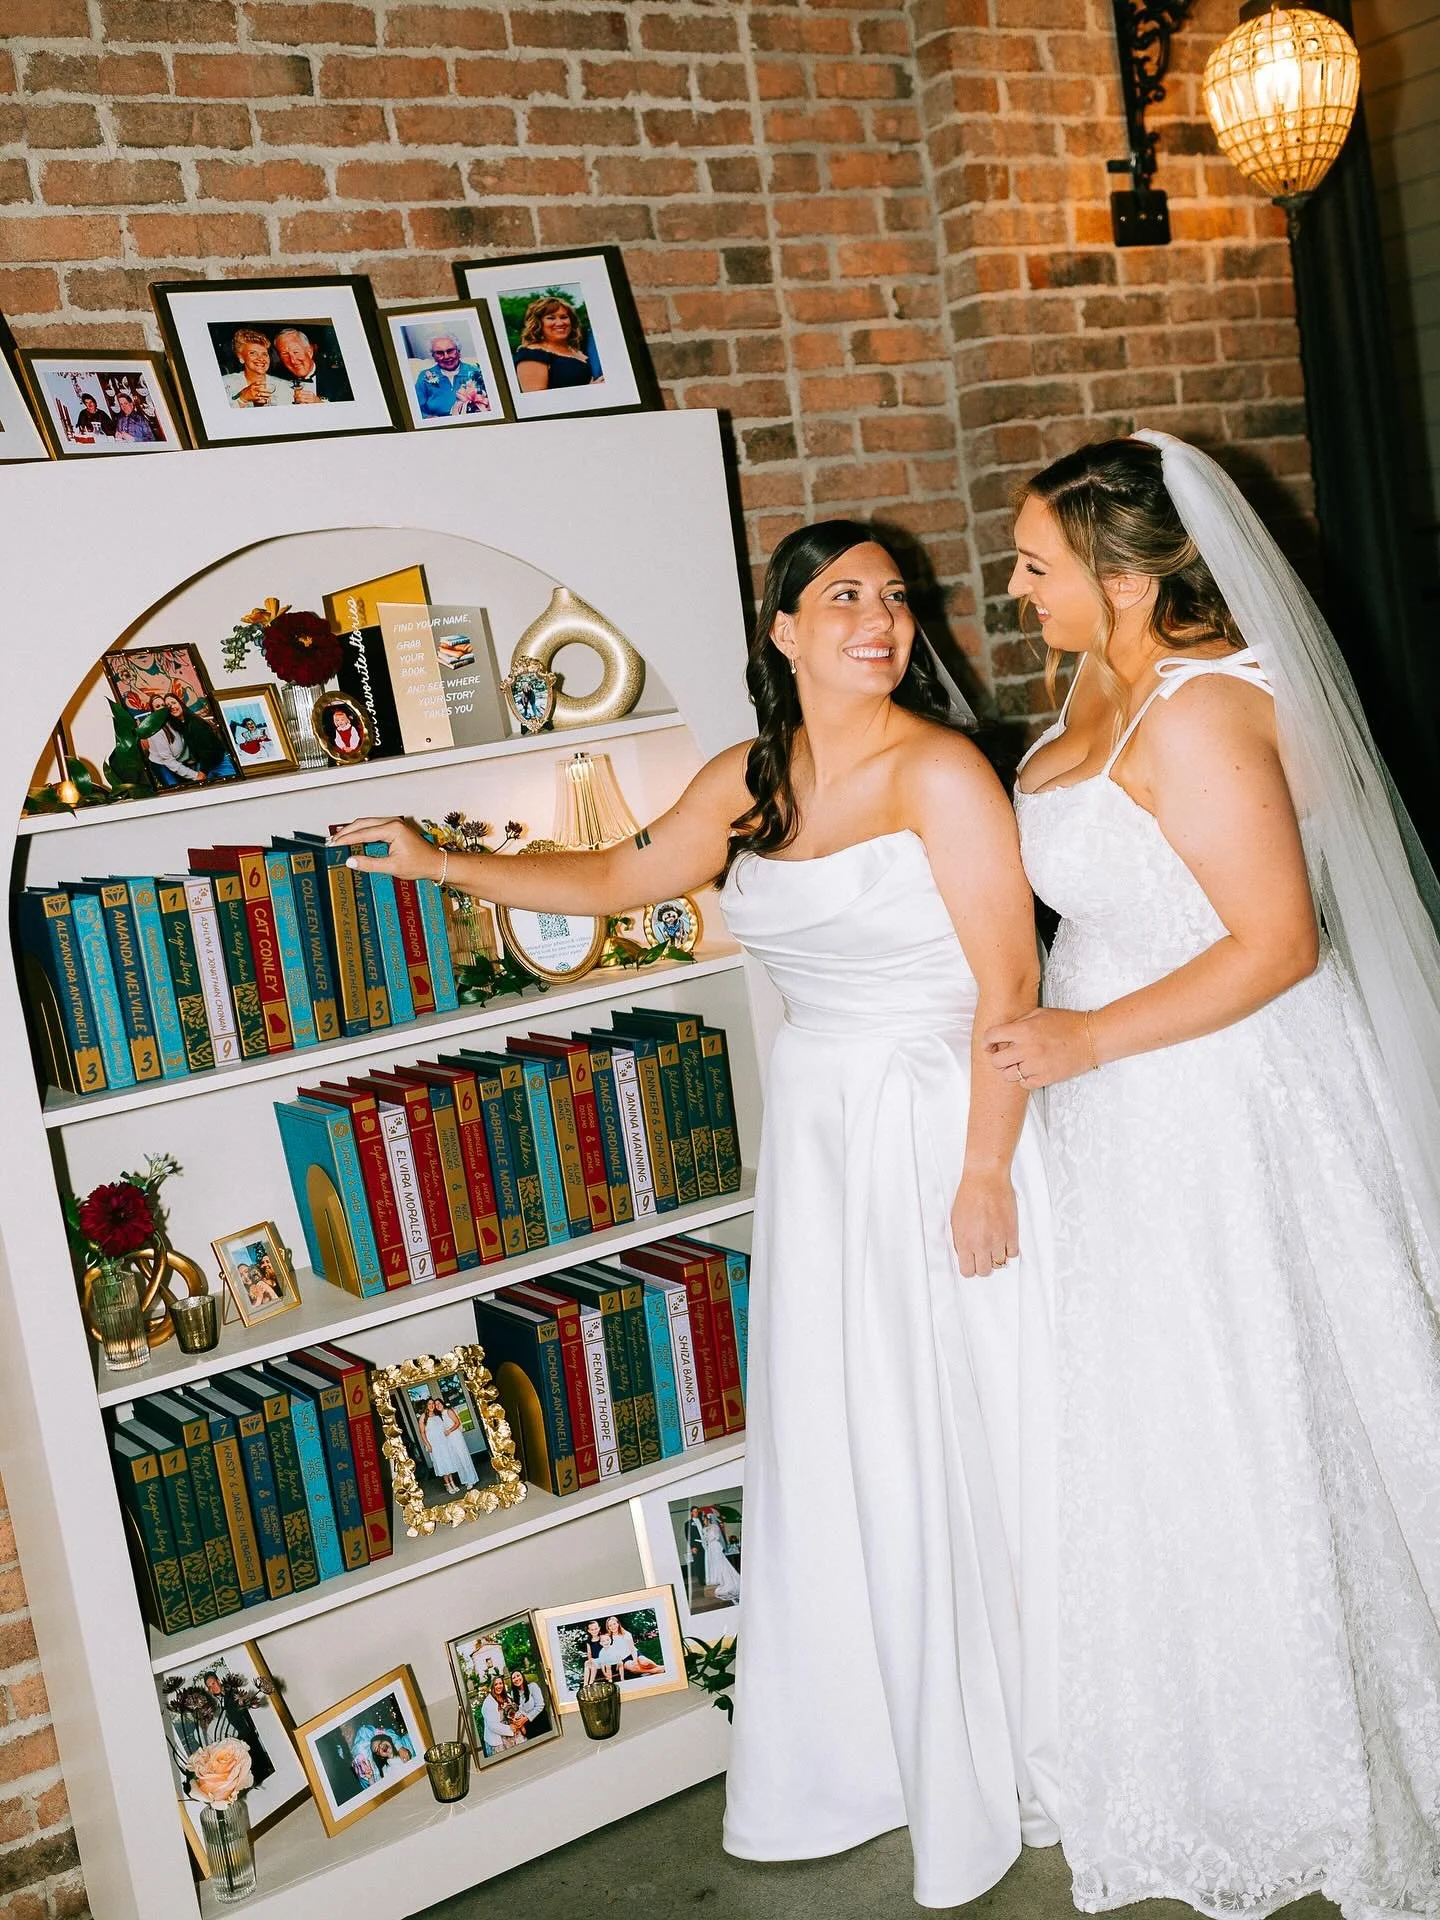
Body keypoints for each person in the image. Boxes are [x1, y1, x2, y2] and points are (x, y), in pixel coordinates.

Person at [330, 516, 1060, 1909]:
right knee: (852, 1438)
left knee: (958, 1425)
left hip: (942, 1123)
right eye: (841, 595)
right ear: (780, 630)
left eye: (895, 598)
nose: (878, 619)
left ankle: (1013, 1721)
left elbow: (1009, 984)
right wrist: (442, 865)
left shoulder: (944, 771)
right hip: (827, 1141)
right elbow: (618, 880)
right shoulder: (746, 778)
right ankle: (875, 1740)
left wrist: (982, 1170)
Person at [992, 433, 1440, 1919]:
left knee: (1262, 1400)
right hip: (1121, 1101)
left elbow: (1275, 943)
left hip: (1219, 1094)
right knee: (1166, 1419)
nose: (1015, 587)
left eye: (1039, 565)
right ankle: (1196, 1734)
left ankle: (1323, 1757)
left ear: (1127, 577)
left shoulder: (1201, 711)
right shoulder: (1090, 679)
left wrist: (1085, 1037)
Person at [512, 297, 597, 393]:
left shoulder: (579, 349)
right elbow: (537, 402)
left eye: (564, 317)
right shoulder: (531, 355)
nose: (560, 323)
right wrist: (590, 390)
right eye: (551, 318)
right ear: (538, 323)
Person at [413, 333, 489, 419]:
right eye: (439, 353)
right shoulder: (424, 376)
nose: (446, 356)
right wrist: (428, 418)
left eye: (450, 351)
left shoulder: (475, 372)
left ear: (458, 352)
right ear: (433, 356)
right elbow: (415, 409)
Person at [274, 327, 352, 404]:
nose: (293, 360)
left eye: (296, 352)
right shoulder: (276, 380)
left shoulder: (341, 379)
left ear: (309, 352)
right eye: (285, 354)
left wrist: (320, 404)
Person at [419, 1395, 478, 1495]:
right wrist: (427, 1444)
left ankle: (463, 1481)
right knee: (446, 1463)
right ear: (426, 1406)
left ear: (441, 1404)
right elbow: (422, 1432)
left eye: (435, 1403)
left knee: (455, 1461)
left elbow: (455, 1424)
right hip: (438, 1445)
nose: (433, 1405)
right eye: (431, 1404)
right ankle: (451, 1484)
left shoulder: (442, 1414)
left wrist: (449, 1431)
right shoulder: (425, 1417)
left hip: (449, 1441)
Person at [222, 328, 292, 408]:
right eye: (253, 353)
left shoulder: (284, 386)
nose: (261, 358)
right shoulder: (225, 383)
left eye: (264, 354)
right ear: (241, 357)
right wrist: (242, 399)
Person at [701, 1508, 741, 1604]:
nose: (703, 1520)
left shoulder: (714, 1526)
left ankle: (724, 1580)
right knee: (712, 1563)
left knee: (719, 1562)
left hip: (715, 1546)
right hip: (710, 1547)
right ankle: (715, 1579)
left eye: (704, 1518)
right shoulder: (705, 1528)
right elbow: (706, 1537)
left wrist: (709, 1539)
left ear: (708, 1518)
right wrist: (705, 1540)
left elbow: (717, 1537)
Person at [479, 1677, 522, 1756]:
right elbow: (493, 1726)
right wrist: (511, 1728)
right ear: (492, 1687)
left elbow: (515, 1711)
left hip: (512, 1737)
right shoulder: (488, 1703)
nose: (499, 1686)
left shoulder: (507, 1696)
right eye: (496, 1684)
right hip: (497, 1742)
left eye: (500, 1683)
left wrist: (518, 1721)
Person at [507, 1669, 548, 1740]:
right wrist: (518, 1721)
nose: (516, 1679)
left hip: (539, 1720)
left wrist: (526, 1718)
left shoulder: (532, 1686)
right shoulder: (513, 1693)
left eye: (518, 1676)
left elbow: (540, 1705)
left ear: (522, 1676)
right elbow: (517, 1709)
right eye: (513, 1678)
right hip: (528, 1725)